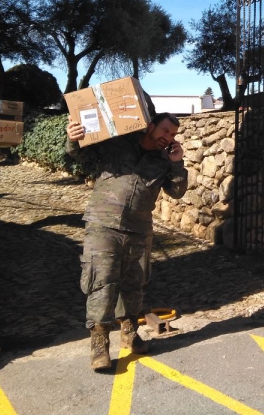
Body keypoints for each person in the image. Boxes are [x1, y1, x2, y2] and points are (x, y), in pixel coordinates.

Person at [65, 111, 187, 372]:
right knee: (102, 280)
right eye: (165, 131)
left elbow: (176, 191)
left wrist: (177, 163)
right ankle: (99, 343)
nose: (168, 138)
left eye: (173, 135)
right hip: (102, 224)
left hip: (139, 228)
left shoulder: (164, 160)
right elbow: (81, 156)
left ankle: (130, 332)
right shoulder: (117, 144)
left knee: (134, 282)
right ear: (150, 126)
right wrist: (73, 139)